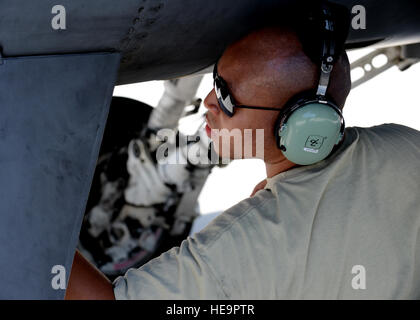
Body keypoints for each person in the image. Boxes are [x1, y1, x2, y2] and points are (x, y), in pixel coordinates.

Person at [65, 25, 420, 300]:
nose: (207, 101)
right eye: (214, 82)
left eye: (225, 95)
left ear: (297, 125)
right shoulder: (405, 143)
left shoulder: (249, 240)